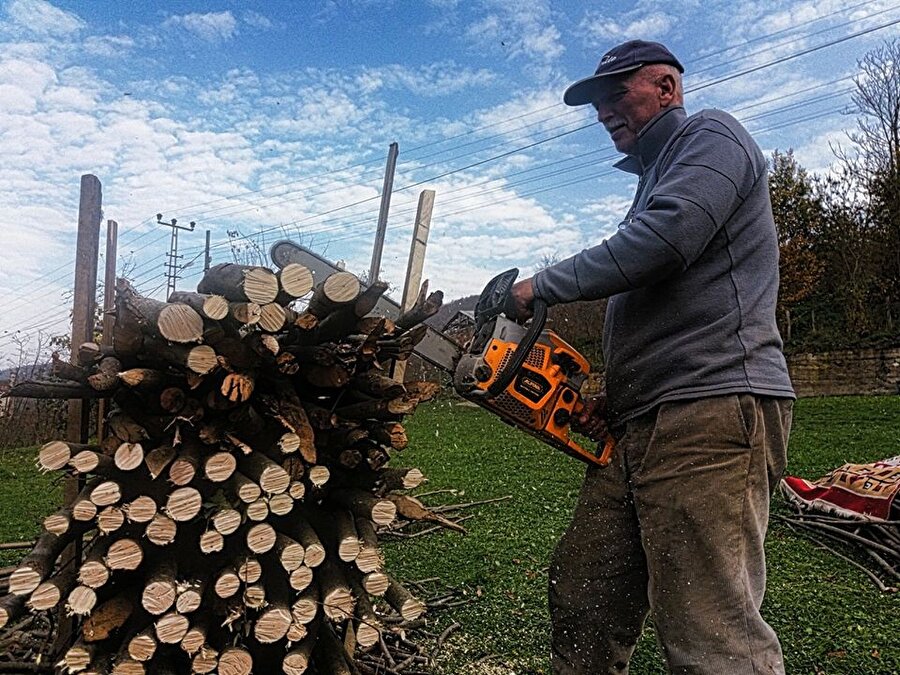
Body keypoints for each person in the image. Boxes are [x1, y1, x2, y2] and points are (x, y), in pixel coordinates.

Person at [508, 40, 795, 674]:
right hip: (644, 421)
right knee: (586, 594)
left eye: (617, 94)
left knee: (709, 630)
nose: (604, 110)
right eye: (597, 102)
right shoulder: (655, 179)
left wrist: (541, 284)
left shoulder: (713, 136)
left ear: (666, 88)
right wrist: (619, 393)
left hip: (709, 411)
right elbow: (666, 290)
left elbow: (664, 243)